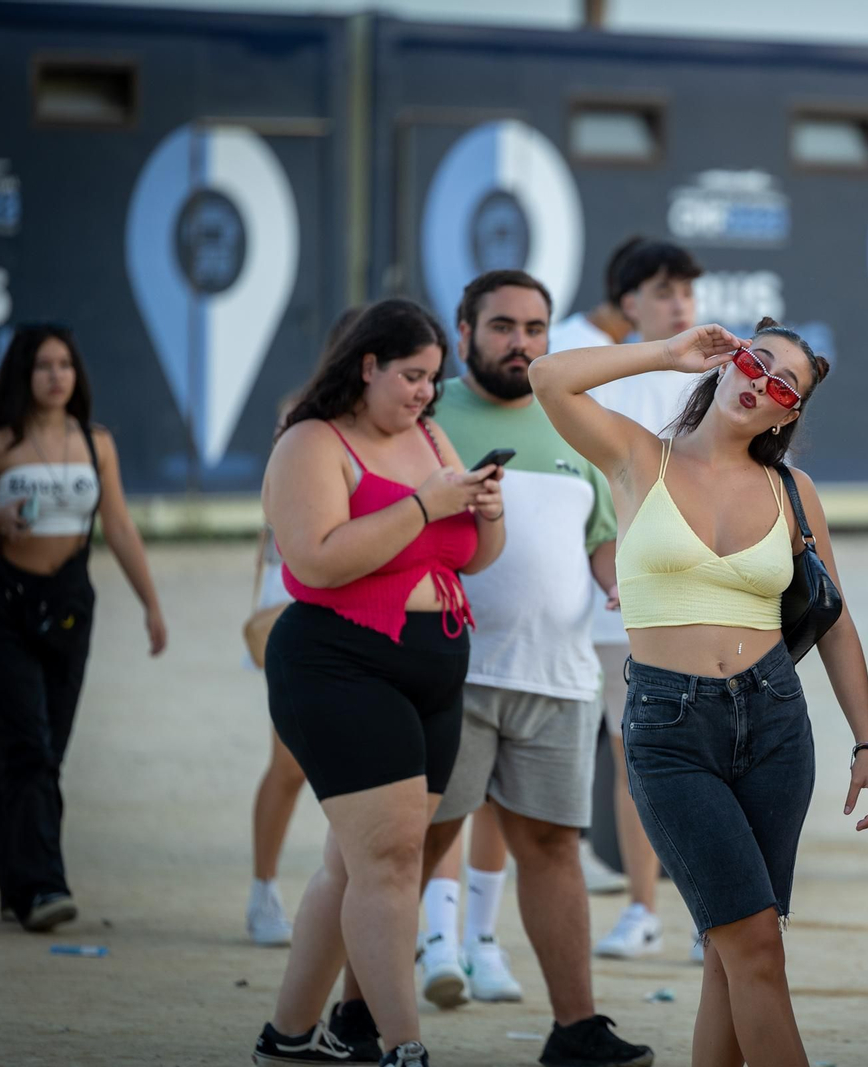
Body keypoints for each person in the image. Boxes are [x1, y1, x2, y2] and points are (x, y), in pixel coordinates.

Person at [532, 314, 868, 1067]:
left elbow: (836, 623)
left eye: (781, 384)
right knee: (752, 942)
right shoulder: (637, 457)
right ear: (727, 362)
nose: (760, 385)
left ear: (790, 411)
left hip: (774, 724)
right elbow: (548, 377)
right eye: (755, 364)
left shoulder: (794, 491)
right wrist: (666, 350)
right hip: (669, 726)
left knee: (736, 953)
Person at [249, 298, 504, 1067]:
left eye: (433, 378)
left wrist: (487, 510)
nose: (427, 392)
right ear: (367, 366)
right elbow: (317, 559)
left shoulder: (429, 435)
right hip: (337, 661)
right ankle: (403, 1045)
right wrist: (427, 505)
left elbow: (471, 558)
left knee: (354, 862)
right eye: (412, 376)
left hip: (431, 666)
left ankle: (288, 1036)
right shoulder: (310, 441)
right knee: (390, 861)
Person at [415, 268, 655, 1066]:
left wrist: (620, 579)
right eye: (503, 326)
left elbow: (599, 536)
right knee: (410, 848)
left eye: (536, 328)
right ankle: (357, 1012)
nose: (522, 343)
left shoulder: (575, 419)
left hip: (559, 679)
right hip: (450, 672)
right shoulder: (426, 413)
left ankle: (575, 1026)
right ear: (463, 334)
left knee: (554, 849)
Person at [0, 324, 168, 933]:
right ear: (23, 375)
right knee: (26, 745)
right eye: (43, 366)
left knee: (44, 749)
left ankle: (16, 879)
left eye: (65, 365)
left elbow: (121, 527)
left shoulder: (94, 442)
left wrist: (151, 605)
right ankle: (43, 887)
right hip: (5, 607)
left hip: (72, 604)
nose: (56, 376)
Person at [558, 237, 709, 960]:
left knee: (700, 763)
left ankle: (710, 915)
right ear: (628, 304)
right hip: (607, 599)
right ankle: (642, 909)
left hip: (691, 601)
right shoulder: (600, 374)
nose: (679, 302)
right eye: (662, 290)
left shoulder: (716, 378)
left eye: (686, 289)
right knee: (631, 761)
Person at [247, 305, 364, 948]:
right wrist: (260, 601)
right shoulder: (304, 414)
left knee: (367, 762)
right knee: (289, 761)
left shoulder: (414, 421)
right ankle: (263, 890)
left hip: (372, 592)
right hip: (297, 589)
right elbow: (276, 516)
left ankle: (362, 894)